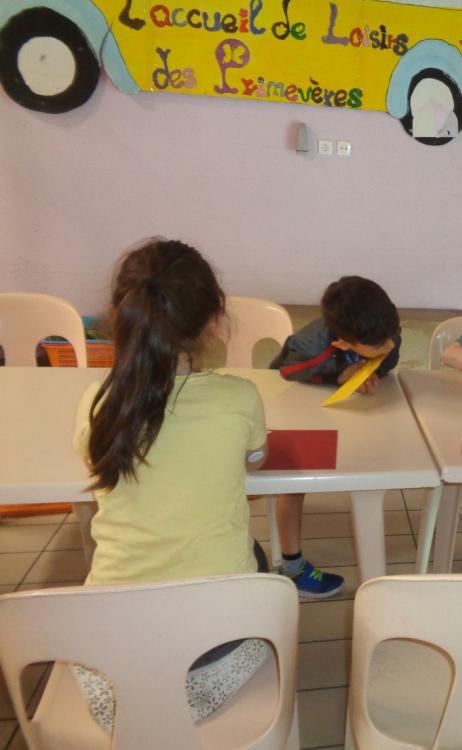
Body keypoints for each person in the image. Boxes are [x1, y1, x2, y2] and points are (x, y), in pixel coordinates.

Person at [73, 238, 271, 729]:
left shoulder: (97, 404)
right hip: (215, 658)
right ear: (214, 322)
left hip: (111, 675)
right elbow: (257, 460)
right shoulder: (239, 397)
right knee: (258, 557)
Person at [269, 275, 400, 596]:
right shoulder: (309, 345)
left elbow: (387, 358)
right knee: (293, 483)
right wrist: (341, 374)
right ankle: (292, 566)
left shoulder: (383, 328)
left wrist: (372, 372)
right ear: (341, 343)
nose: (391, 344)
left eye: (393, 335)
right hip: (297, 410)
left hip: (348, 414)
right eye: (380, 344)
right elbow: (287, 373)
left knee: (371, 464)